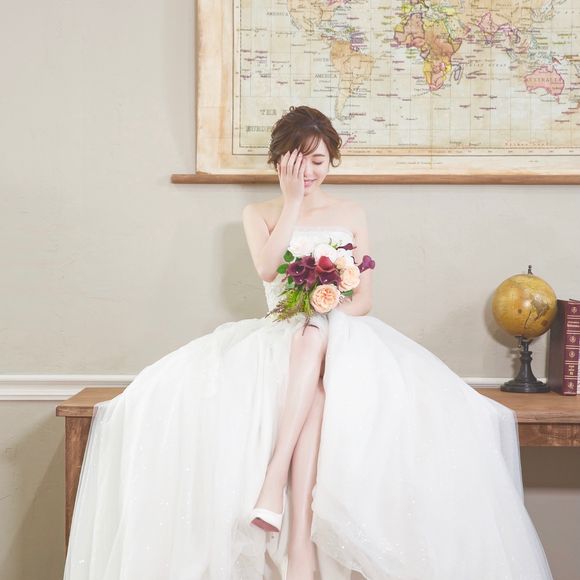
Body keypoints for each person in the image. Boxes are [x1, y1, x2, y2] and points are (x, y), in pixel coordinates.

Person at [63, 106, 554, 580]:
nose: (309, 171)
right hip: (281, 333)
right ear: (279, 162)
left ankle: (275, 488)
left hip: (339, 331)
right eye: (299, 161)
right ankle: (298, 545)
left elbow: (364, 301)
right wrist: (293, 203)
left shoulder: (352, 212)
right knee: (314, 376)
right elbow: (266, 270)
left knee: (316, 336)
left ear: (331, 160)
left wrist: (326, 307)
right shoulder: (258, 213)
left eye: (318, 160)